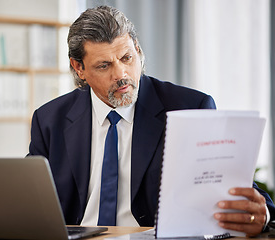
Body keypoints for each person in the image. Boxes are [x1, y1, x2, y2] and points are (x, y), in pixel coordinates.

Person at [28, 5, 275, 237]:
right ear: (79, 68)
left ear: (137, 48)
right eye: (104, 66)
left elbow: (233, 188)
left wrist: (262, 216)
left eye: (126, 58)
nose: (121, 75)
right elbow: (29, 201)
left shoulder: (189, 107)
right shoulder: (50, 119)